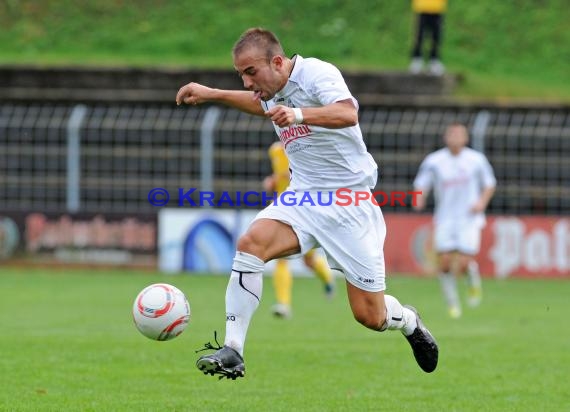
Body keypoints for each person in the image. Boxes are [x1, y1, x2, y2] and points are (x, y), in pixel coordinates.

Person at [176, 27, 438, 380]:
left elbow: (347, 113)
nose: (248, 81)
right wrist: (212, 94)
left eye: (250, 72)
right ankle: (233, 349)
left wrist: (298, 115)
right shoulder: (270, 90)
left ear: (278, 62)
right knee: (250, 244)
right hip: (303, 196)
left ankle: (408, 321)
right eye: (241, 74)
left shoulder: (317, 73)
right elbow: (259, 104)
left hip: (349, 202)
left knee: (369, 316)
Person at [413, 123, 496, 319]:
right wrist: (419, 197)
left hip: (469, 218)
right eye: (451, 134)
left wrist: (481, 203)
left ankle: (473, 282)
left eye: (459, 134)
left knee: (465, 263)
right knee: (444, 262)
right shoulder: (435, 161)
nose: (455, 138)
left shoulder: (476, 160)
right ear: (445, 137)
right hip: (445, 218)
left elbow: (490, 184)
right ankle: (452, 304)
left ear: (466, 138)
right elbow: (421, 183)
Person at [264, 141, 336, 319]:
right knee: (281, 258)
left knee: (309, 261)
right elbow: (279, 177)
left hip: (305, 210)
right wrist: (272, 181)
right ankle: (283, 304)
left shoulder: (307, 146)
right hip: (283, 208)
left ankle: (327, 278)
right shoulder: (275, 150)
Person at [409, 0, 447, 75]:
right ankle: (417, 59)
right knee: (419, 35)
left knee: (436, 37)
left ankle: (434, 60)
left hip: (437, 8)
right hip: (421, 8)